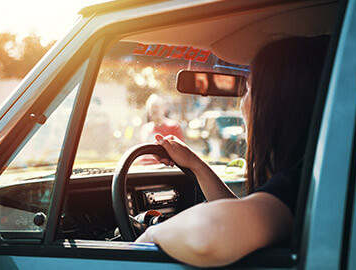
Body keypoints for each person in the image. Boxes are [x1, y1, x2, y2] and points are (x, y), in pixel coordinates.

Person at [135, 35, 329, 267]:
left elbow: (210, 233)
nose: (241, 103)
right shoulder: (315, 174)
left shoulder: (296, 184)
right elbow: (243, 216)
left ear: (275, 105)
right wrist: (195, 164)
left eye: (247, 90)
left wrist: (150, 236)